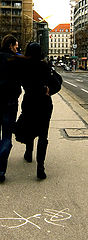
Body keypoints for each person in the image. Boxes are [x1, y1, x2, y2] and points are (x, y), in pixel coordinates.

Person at [15, 42, 62, 180]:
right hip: (44, 103)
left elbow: (20, 82)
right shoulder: (45, 66)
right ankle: (40, 167)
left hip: (29, 101)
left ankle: (28, 153)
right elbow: (58, 82)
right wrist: (48, 91)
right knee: (43, 134)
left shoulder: (23, 66)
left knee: (30, 128)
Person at [0, 34, 21, 183]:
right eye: (16, 46)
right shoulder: (16, 60)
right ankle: (0, 171)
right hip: (10, 103)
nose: (17, 48)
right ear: (10, 45)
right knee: (6, 136)